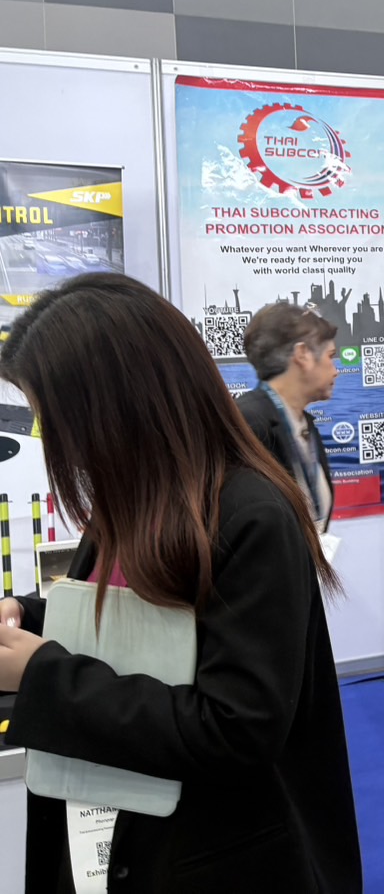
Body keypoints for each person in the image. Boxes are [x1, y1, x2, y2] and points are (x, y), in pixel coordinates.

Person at [0, 273, 360, 892]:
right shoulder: (133, 498)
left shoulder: (248, 515)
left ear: (114, 403)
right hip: (116, 827)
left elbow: (235, 728)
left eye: (52, 417)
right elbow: (137, 613)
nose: (50, 438)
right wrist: (31, 616)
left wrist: (43, 675)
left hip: (209, 853)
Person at [237, 301, 338, 534]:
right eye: (330, 356)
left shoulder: (305, 424)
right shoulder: (247, 426)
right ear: (302, 355)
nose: (335, 370)